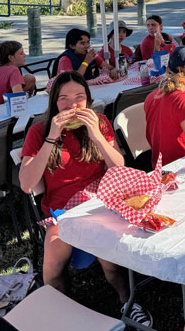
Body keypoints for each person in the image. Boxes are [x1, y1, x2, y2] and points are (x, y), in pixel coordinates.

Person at [19, 71, 153, 326]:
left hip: (98, 203)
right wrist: (52, 137)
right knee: (54, 257)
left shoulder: (99, 122)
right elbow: (26, 184)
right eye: (64, 99)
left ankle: (127, 300)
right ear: (53, 103)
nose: (73, 106)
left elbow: (118, 168)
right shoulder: (39, 131)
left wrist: (97, 135)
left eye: (80, 98)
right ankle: (61, 310)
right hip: (62, 211)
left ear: (89, 100)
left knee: (108, 257)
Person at [0, 41, 37, 107]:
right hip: (2, 108)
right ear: (11, 58)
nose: (25, 55)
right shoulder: (13, 70)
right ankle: (29, 99)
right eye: (21, 53)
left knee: (29, 78)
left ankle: (28, 98)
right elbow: (18, 96)